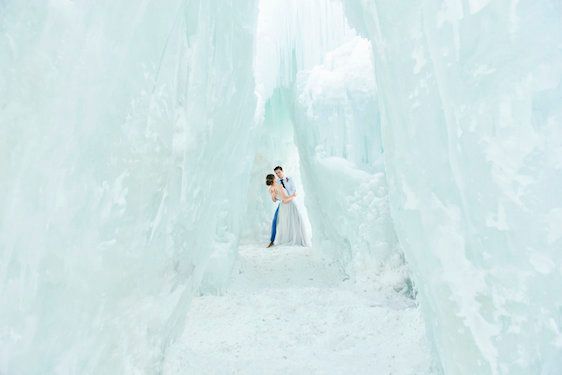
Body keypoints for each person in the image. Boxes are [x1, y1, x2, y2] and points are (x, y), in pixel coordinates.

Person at [265, 167, 310, 247]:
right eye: (276, 173)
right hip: (287, 203)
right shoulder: (278, 185)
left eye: (279, 172)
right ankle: (289, 238)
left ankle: (284, 238)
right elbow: (284, 199)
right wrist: (293, 196)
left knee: (286, 222)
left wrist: (277, 196)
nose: (278, 174)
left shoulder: (287, 180)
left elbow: (274, 199)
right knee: (289, 221)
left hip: (283, 204)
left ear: (282, 171)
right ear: (274, 178)